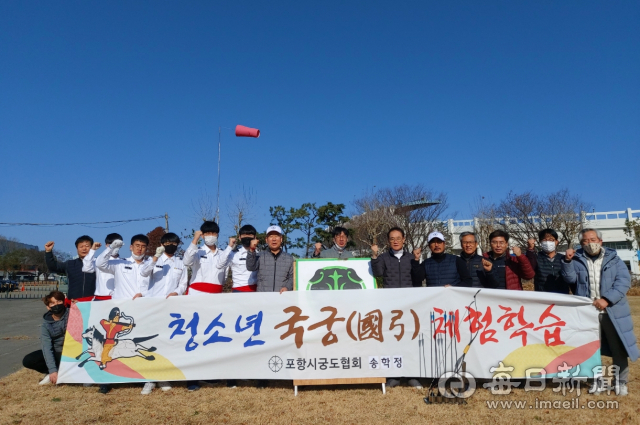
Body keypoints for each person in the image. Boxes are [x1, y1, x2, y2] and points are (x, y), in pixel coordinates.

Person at [561, 228, 638, 396]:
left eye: (593, 239)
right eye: (585, 241)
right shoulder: (576, 258)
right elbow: (570, 280)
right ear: (581, 244)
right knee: (591, 350)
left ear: (600, 241)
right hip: (587, 314)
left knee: (618, 349)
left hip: (612, 311)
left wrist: (606, 299)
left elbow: (623, 282)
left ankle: (620, 382)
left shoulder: (614, 259)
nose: (590, 243)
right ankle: (596, 381)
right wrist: (567, 262)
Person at [95, 234, 151, 394]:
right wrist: (112, 248)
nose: (140, 249)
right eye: (137, 245)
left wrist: (144, 295)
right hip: (121, 312)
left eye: (143, 246)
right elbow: (100, 263)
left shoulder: (151, 264)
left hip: (143, 309)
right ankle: (108, 379)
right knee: (113, 345)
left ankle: (145, 379)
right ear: (131, 247)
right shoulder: (120, 263)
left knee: (138, 345)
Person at [371, 227, 421, 389]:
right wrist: (374, 256)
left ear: (404, 239)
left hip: (410, 305)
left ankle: (412, 375)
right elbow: (377, 272)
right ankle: (394, 376)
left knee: (410, 340)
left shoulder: (410, 257)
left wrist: (417, 260)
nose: (395, 241)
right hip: (390, 305)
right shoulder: (384, 257)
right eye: (392, 238)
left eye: (398, 238)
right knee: (392, 340)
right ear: (388, 241)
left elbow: (418, 277)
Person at [137, 232, 188, 394]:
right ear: (162, 244)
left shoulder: (181, 262)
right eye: (167, 242)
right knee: (151, 342)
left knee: (166, 341)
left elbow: (183, 284)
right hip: (153, 305)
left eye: (174, 243)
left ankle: (163, 377)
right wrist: (154, 258)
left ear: (178, 244)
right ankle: (149, 379)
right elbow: (144, 273)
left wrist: (177, 293)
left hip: (171, 307)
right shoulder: (153, 260)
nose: (170, 245)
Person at [246, 225, 294, 389]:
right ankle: (263, 375)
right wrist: (251, 250)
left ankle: (286, 372)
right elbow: (250, 267)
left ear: (282, 239)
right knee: (264, 339)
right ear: (266, 240)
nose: (274, 239)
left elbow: (292, 277)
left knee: (283, 337)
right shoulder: (259, 256)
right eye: (270, 236)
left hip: (282, 304)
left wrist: (287, 286)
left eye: (277, 236)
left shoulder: (289, 258)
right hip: (263, 303)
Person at [23, 291, 69, 385]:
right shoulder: (45, 325)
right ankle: (52, 373)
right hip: (58, 353)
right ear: (48, 307)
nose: (56, 305)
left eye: (59, 301)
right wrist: (52, 370)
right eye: (52, 303)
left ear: (63, 302)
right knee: (28, 360)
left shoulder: (72, 314)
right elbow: (46, 347)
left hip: (74, 352)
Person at [44, 236, 96, 302]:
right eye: (81, 246)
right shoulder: (70, 264)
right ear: (77, 249)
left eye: (87, 246)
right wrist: (48, 252)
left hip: (93, 303)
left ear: (92, 248)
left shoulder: (98, 264)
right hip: (74, 302)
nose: (84, 249)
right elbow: (53, 267)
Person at [183, 221, 227, 295]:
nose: (211, 235)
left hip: (217, 294)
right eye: (208, 233)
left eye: (214, 233)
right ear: (202, 235)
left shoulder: (223, 254)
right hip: (197, 293)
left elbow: (224, 277)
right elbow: (186, 262)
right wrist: (195, 240)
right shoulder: (197, 252)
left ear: (217, 235)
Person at [525, 229, 573, 294]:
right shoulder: (536, 257)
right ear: (540, 242)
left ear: (556, 242)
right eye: (544, 240)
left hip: (562, 297)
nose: (547, 242)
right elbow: (529, 271)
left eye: (551, 240)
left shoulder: (563, 258)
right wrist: (530, 249)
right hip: (543, 297)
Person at [82, 233, 124, 300]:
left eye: (117, 245)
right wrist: (92, 250)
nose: (115, 247)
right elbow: (86, 268)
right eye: (113, 244)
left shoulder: (123, 262)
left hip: (117, 298)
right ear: (106, 245)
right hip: (100, 298)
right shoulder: (98, 261)